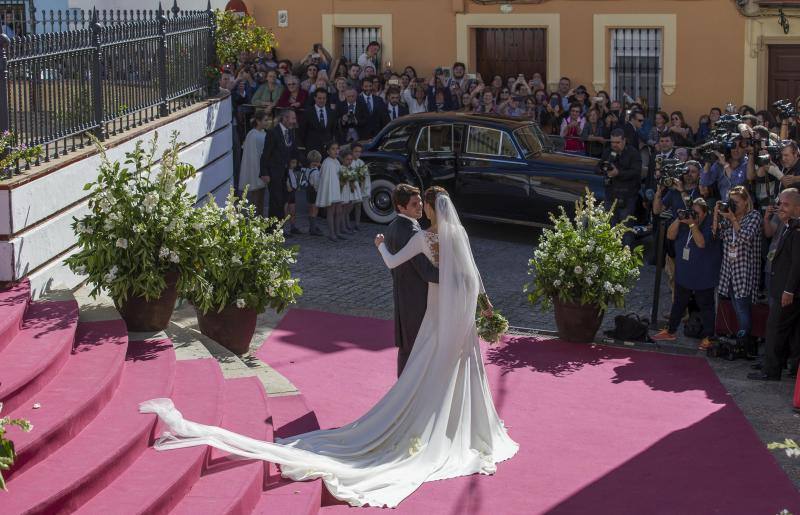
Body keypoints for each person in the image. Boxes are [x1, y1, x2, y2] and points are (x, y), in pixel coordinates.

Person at [139, 187, 518, 510]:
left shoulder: (422, 238)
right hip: (461, 318)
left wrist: (380, 245)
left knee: (429, 368)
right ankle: (463, 429)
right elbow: (474, 275)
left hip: (438, 316)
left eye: (426, 204)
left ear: (431, 209)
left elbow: (392, 262)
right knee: (460, 367)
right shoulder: (460, 236)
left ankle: (427, 424)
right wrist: (486, 307)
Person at [651, 199, 721, 347]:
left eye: (697, 213)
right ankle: (670, 331)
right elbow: (669, 235)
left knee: (706, 306)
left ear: (705, 213)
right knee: (678, 303)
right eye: (692, 211)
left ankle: (710, 337)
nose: (694, 215)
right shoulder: (685, 222)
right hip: (685, 271)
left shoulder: (711, 224)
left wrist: (692, 224)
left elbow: (701, 243)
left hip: (704, 274)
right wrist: (680, 218)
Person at [749, 188, 800, 381]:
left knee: (775, 329)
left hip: (787, 291)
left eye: (786, 205)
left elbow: (797, 264)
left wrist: (788, 290)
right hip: (784, 288)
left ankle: (771, 371)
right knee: (792, 333)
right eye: (780, 204)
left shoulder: (796, 229)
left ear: (798, 207)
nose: (781, 208)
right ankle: (792, 368)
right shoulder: (788, 226)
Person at [713, 186, 762, 348]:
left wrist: (733, 219)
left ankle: (745, 341)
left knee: (742, 308)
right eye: (731, 201)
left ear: (746, 201)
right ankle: (744, 339)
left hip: (745, 270)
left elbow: (745, 238)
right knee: (737, 307)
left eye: (736, 202)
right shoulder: (728, 217)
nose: (733, 205)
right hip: (729, 270)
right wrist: (716, 214)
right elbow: (716, 235)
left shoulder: (753, 216)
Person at [599, 128, 642, 248]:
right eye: (612, 142)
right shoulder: (608, 152)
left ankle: (626, 257)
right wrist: (604, 169)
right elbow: (597, 167)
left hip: (627, 196)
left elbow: (636, 172)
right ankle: (611, 255)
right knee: (610, 227)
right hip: (610, 195)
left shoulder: (633, 153)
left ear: (624, 141)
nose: (614, 145)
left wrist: (618, 173)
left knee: (626, 229)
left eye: (617, 142)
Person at [260, 109, 299, 224]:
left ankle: (279, 228)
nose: (294, 121)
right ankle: (272, 229)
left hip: (285, 173)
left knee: (283, 201)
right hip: (274, 173)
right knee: (275, 202)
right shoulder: (273, 133)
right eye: (293, 118)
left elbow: (294, 150)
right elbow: (265, 154)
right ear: (285, 118)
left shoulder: (290, 132)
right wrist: (264, 173)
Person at [238, 110, 270, 217]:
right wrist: (257, 171)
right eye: (265, 120)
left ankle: (259, 218)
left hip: (262, 169)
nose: (267, 122)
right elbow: (252, 156)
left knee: (261, 196)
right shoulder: (252, 135)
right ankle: (254, 219)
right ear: (258, 121)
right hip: (255, 169)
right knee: (256, 197)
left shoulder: (263, 133)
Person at [317, 142, 344, 241]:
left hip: (337, 190)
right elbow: (325, 179)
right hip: (331, 190)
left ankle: (337, 232)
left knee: (339, 211)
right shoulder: (327, 162)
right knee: (331, 211)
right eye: (333, 149)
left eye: (337, 149)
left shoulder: (337, 161)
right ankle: (332, 233)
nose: (336, 151)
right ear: (328, 151)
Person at [301, 88, 337, 155]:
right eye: (319, 98)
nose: (322, 100)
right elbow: (302, 131)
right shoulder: (307, 112)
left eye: (324, 98)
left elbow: (333, 130)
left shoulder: (332, 112)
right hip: (312, 149)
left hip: (327, 149)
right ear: (315, 98)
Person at [301, 150, 324, 236]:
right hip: (314, 192)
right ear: (318, 162)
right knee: (315, 210)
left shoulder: (307, 169)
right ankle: (313, 228)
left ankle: (312, 226)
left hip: (308, 191)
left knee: (311, 209)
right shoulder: (315, 172)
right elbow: (316, 184)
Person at [285, 158, 301, 234]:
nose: (294, 164)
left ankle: (293, 227)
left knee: (293, 211)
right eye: (293, 163)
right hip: (287, 193)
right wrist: (288, 186)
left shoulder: (293, 171)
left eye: (295, 163)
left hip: (292, 193)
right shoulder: (286, 171)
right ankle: (283, 229)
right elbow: (286, 181)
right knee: (285, 212)